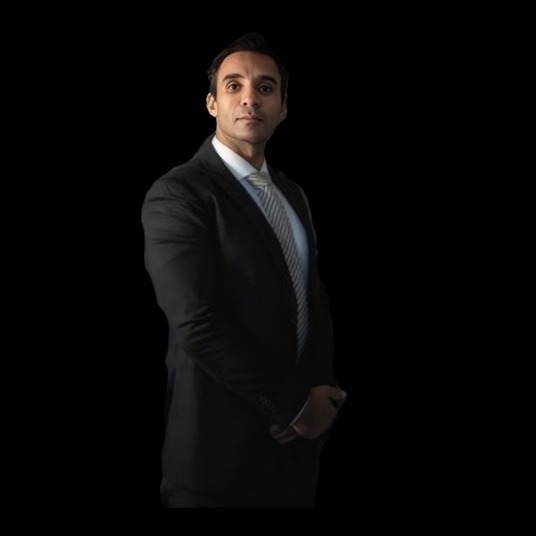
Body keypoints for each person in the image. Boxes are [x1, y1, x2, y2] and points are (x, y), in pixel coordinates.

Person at [141, 31, 347, 508]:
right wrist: (293, 405)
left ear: (283, 108)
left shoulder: (292, 194)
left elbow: (311, 298)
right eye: (234, 86)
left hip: (294, 457)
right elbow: (197, 320)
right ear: (212, 103)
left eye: (265, 88)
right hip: (216, 459)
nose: (250, 98)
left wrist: (321, 396)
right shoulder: (179, 194)